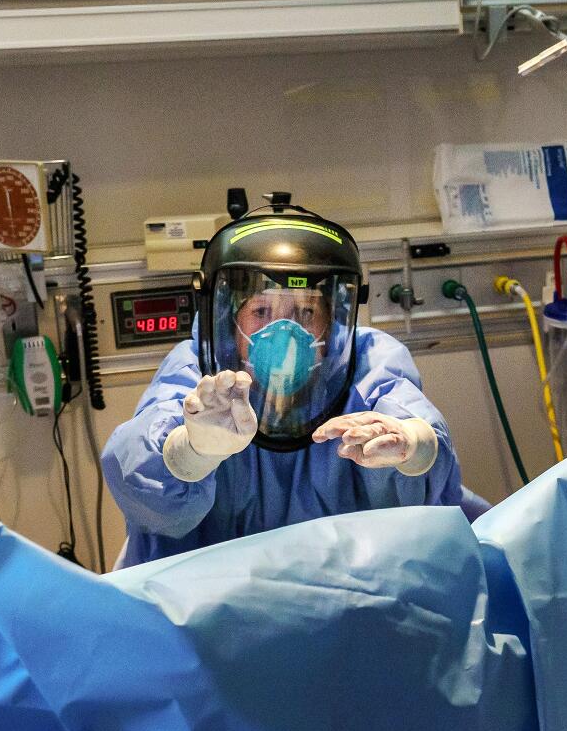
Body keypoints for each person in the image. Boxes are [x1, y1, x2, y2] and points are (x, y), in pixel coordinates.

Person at [102, 201, 465, 565]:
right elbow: (140, 482)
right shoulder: (197, 371)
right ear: (230, 320)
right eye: (261, 312)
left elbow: (422, 448)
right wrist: (191, 453)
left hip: (346, 596)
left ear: (332, 323)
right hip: (213, 603)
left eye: (306, 312)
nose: (284, 333)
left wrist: (414, 447)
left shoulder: (367, 363)